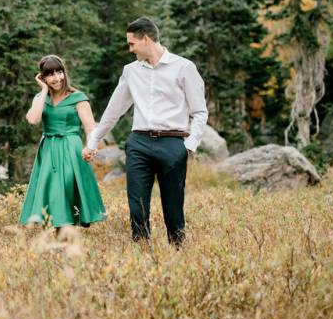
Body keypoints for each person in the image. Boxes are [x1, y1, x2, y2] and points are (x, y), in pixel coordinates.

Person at [85, 17, 208, 246]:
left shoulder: (184, 67)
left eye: (132, 44)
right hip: (139, 143)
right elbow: (114, 110)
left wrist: (188, 146)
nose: (130, 49)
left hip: (173, 144)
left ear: (147, 39)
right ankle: (142, 255)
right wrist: (94, 140)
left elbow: (200, 112)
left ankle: (178, 252)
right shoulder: (130, 72)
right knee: (137, 205)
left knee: (173, 206)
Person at [19, 55, 106, 232]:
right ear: (43, 78)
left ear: (64, 73)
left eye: (59, 72)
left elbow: (90, 127)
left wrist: (91, 146)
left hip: (70, 147)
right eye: (50, 74)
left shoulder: (78, 97)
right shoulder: (41, 98)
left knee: (66, 186)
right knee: (50, 188)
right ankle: (56, 232)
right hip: (49, 148)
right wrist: (43, 91)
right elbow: (33, 119)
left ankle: (66, 229)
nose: (57, 78)